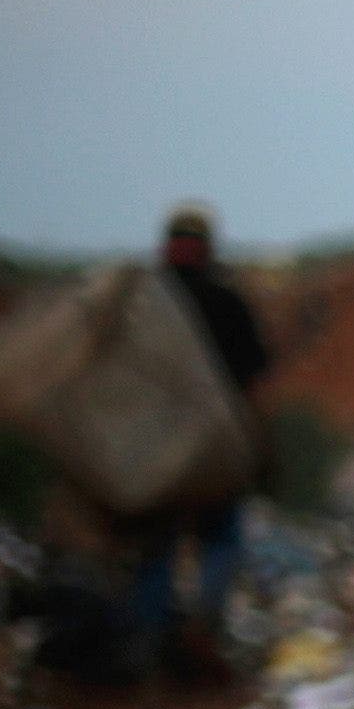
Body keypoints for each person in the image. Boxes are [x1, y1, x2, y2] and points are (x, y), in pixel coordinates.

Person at [127, 202, 271, 667]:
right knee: (221, 537)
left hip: (154, 446)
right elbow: (250, 380)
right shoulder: (224, 299)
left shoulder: (146, 302)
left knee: (158, 542)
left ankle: (149, 638)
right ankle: (202, 627)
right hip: (212, 447)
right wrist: (256, 445)